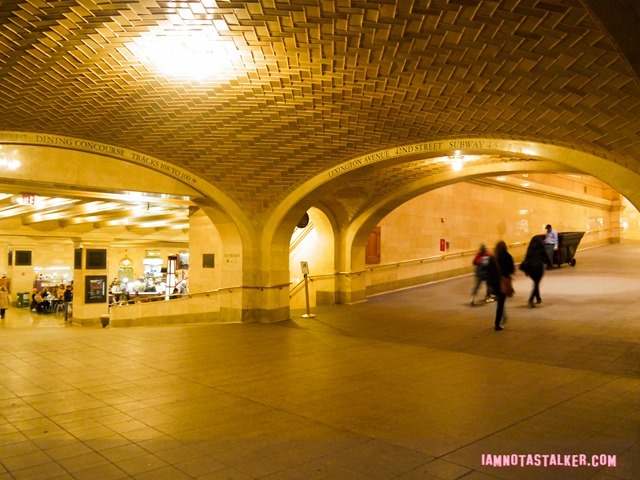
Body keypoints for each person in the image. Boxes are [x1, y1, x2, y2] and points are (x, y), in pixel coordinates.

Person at [487, 240, 515, 331]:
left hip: (495, 283)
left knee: (500, 302)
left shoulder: (493, 257)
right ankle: (497, 323)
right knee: (501, 303)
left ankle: (503, 317)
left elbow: (489, 272)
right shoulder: (508, 256)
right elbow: (512, 269)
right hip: (503, 282)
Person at [520, 235, 549, 307]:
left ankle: (538, 298)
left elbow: (526, 259)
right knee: (536, 283)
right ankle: (531, 300)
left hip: (530, 269)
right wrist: (549, 264)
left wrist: (526, 271)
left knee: (536, 282)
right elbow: (546, 257)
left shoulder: (529, 248)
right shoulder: (541, 248)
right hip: (538, 268)